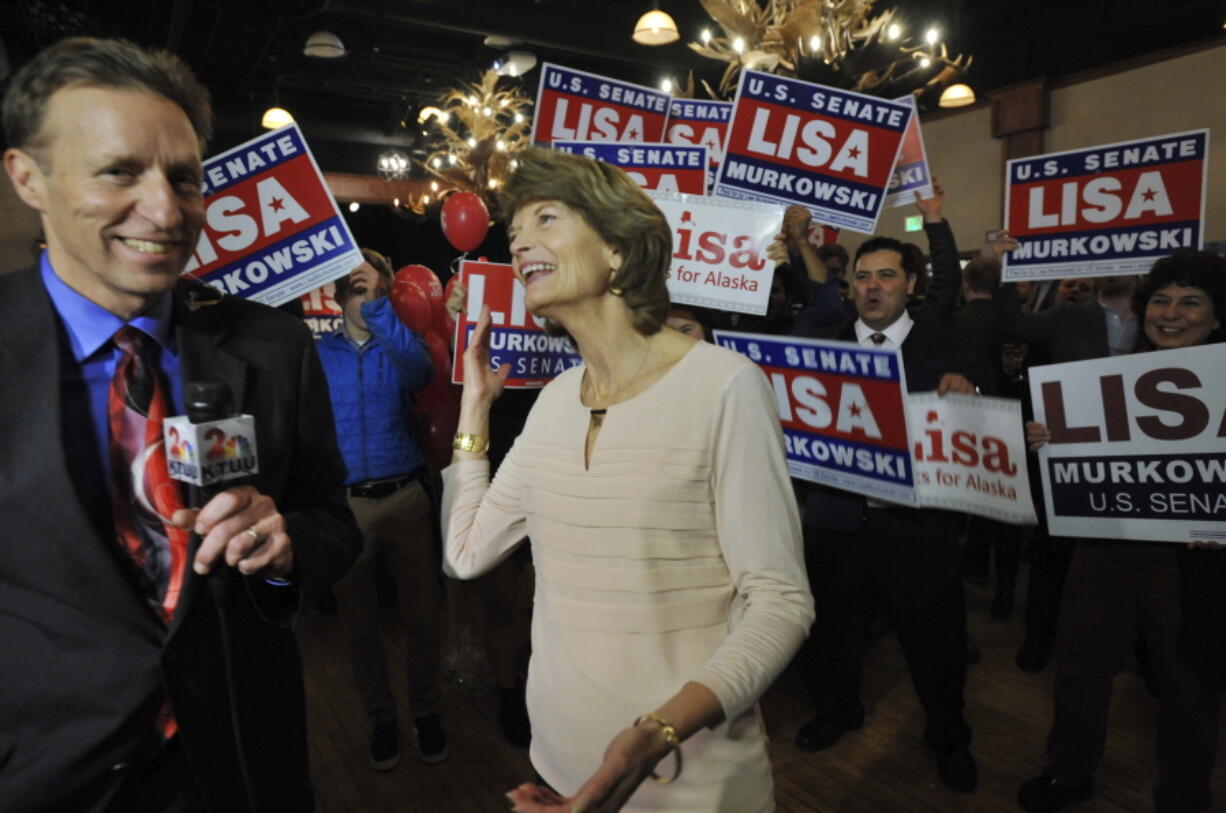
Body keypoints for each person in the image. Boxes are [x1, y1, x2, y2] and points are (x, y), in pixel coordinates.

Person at [0, 37, 360, 810]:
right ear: (28, 177)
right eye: (120, 171)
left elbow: (333, 515)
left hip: (243, 766)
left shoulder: (274, 346)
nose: (166, 210)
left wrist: (288, 548)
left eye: (184, 177)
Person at [441, 148, 814, 812]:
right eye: (514, 231)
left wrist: (652, 736)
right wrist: (475, 408)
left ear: (617, 247)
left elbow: (782, 603)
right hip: (557, 761)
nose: (520, 240)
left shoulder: (724, 386)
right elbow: (466, 553)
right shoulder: (555, 401)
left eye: (546, 218)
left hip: (689, 778)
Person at [1017, 250, 1225, 813]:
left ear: (1216, 315)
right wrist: (1046, 439)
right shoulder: (1112, 376)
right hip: (1104, 546)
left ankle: (1183, 797)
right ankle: (1069, 773)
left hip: (1190, 563)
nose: (1171, 313)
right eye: (1160, 299)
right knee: (1081, 667)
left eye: (1190, 302)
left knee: (1188, 687)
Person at [793, 230, 991, 794]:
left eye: (885, 276)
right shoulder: (819, 345)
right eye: (862, 276)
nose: (872, 286)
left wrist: (970, 395)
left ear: (910, 286)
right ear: (849, 287)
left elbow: (997, 415)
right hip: (836, 520)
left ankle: (948, 735)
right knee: (832, 628)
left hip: (918, 525)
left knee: (936, 638)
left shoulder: (948, 345)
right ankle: (837, 711)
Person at [315, 248, 449, 769]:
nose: (359, 295)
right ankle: (382, 720)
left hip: (406, 499)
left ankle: (427, 713)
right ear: (334, 294)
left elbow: (419, 375)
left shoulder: (402, 348)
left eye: (369, 286)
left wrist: (377, 308)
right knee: (360, 626)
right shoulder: (318, 356)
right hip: (347, 508)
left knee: (423, 620)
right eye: (351, 287)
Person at [991, 233, 1142, 673]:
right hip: (1066, 455)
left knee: (1122, 555)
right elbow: (1012, 325)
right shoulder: (1068, 315)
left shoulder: (1161, 317)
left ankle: (1123, 643)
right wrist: (1006, 268)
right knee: (1052, 555)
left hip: (1134, 460)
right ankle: (1040, 637)